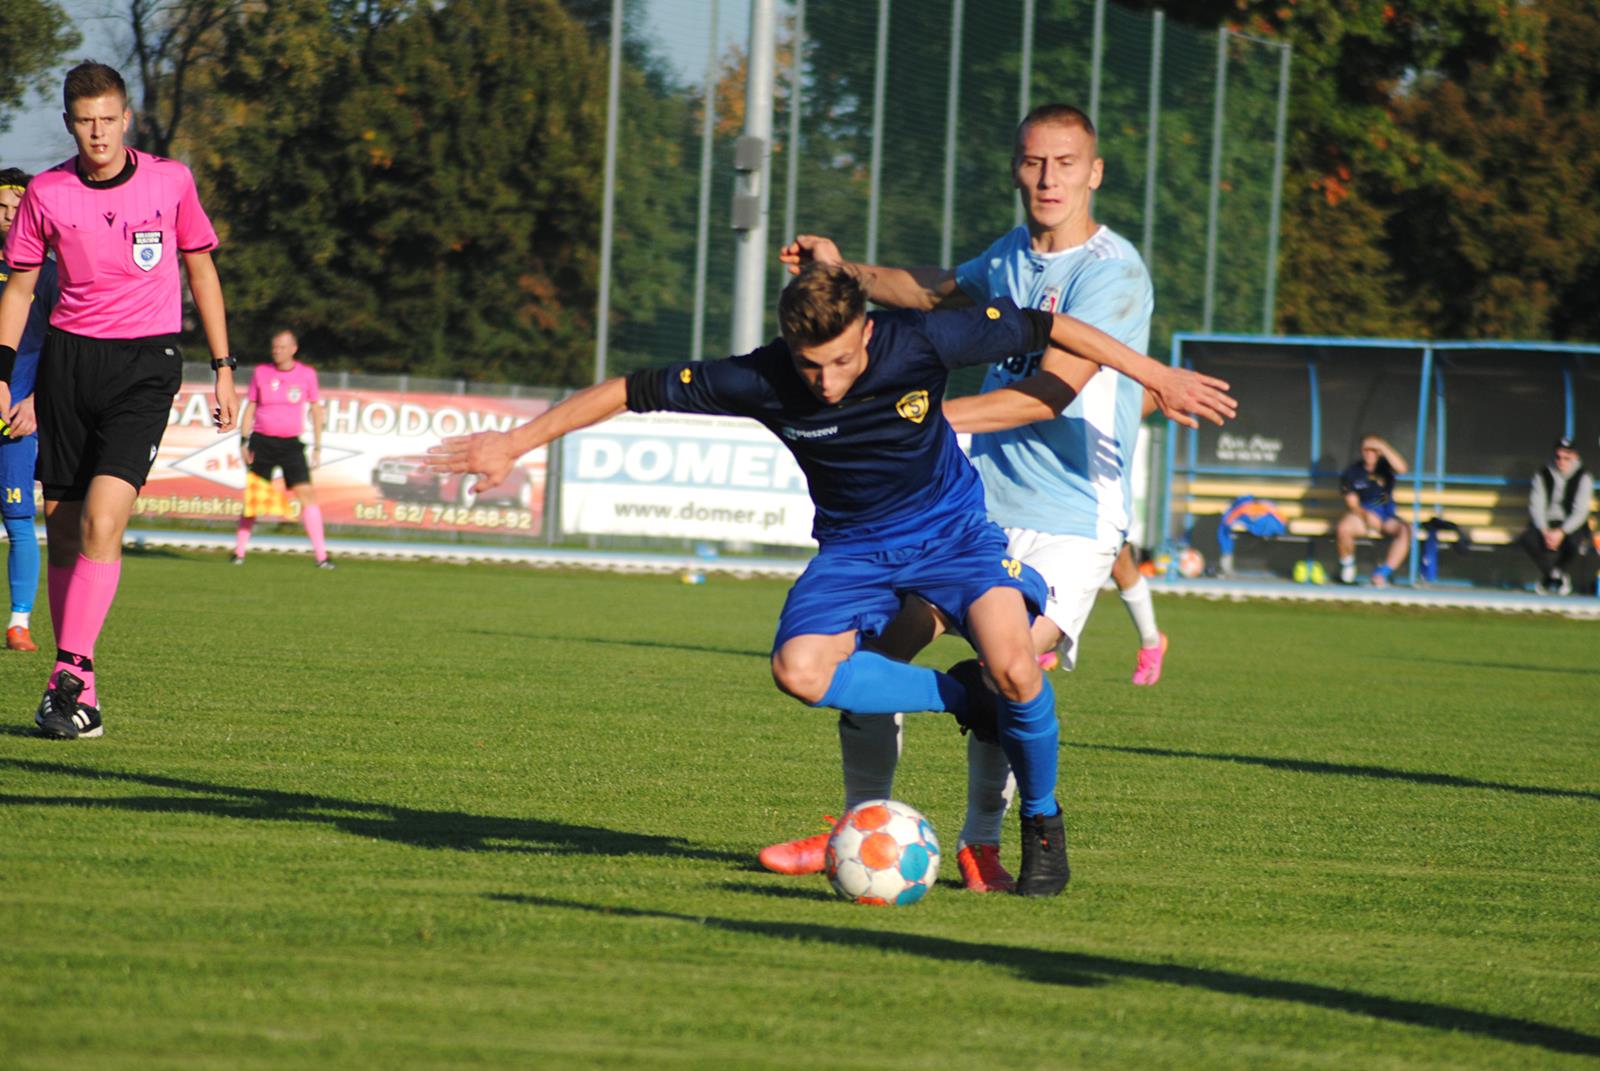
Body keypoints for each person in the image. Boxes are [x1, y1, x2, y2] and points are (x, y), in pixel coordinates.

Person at [432, 262, 1234, 897]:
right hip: (853, 551)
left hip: (955, 535)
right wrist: (518, 442)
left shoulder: (920, 340)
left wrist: (1155, 373)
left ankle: (1044, 823)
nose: (826, 382)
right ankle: (965, 699)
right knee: (800, 671)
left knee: (1018, 663)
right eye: (811, 366)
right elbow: (628, 390)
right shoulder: (764, 377)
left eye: (843, 360)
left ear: (868, 330)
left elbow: (1050, 325)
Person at [766, 102, 1173, 892]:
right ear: (1017, 167)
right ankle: (858, 825)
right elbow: (930, 292)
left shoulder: (1112, 272)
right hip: (972, 504)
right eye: (1032, 161)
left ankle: (988, 837)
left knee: (1005, 666)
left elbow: (1049, 393)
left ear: (1093, 172)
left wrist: (908, 418)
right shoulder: (1012, 254)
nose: (1047, 178)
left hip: (1071, 518)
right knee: (876, 653)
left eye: (1064, 163)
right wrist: (843, 272)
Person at [0, 62, 238, 740]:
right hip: (69, 364)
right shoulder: (47, 192)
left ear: (126, 118)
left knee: (105, 519)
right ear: (70, 124)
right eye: (85, 121)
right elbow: (19, 289)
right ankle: (81, 692)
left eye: (108, 119)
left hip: (146, 363)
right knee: (67, 531)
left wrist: (223, 366)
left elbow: (201, 268)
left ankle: (67, 673)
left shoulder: (171, 181)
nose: (98, 132)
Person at [0, 167, 58, 653]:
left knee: (19, 521)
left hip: (16, 420)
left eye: (15, 211)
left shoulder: (54, 273)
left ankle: (19, 622)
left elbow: (64, 347)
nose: (6, 217)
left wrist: (37, 401)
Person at [233, 329, 333, 568]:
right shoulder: (261, 372)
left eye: (282, 347)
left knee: (307, 494)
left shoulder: (307, 375)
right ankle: (239, 552)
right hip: (262, 441)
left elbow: (316, 410)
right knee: (253, 499)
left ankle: (322, 556)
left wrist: (318, 447)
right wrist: (243, 441)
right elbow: (251, 407)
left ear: (293, 349)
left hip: (290, 444)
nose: (277, 351)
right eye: (275, 347)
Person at [1520, 437, 1593, 595]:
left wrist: (1561, 532)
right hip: (1546, 524)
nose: (1561, 461)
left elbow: (1580, 512)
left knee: (1576, 542)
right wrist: (1544, 530)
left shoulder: (1583, 477)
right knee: (1527, 539)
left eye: (1566, 458)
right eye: (1558, 457)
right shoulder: (1543, 474)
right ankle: (1554, 575)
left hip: (1570, 525)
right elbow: (1536, 505)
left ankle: (1552, 575)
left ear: (1575, 457)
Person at [1336, 434, 1409, 587]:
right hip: (1364, 512)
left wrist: (1383, 446)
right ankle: (1348, 568)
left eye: (1373, 450)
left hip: (1386, 512)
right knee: (1343, 528)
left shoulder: (1385, 467)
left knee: (1406, 530)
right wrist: (1365, 515)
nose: (1369, 453)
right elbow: (1352, 503)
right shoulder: (1353, 472)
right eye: (1366, 450)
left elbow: (1402, 468)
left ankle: (1382, 574)